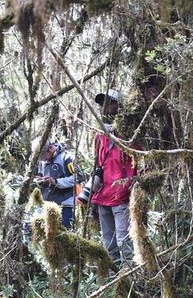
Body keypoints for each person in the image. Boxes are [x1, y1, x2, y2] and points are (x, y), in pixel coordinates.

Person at [89, 88, 137, 265]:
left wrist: (128, 187)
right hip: (102, 196)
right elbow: (98, 164)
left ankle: (131, 279)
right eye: (103, 103)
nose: (106, 107)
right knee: (109, 246)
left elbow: (138, 161)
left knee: (124, 243)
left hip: (120, 196)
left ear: (120, 105)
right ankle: (116, 283)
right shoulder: (100, 135)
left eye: (111, 102)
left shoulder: (130, 133)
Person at [36, 141, 81, 229]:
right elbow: (40, 176)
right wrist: (39, 181)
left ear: (51, 149)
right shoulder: (42, 162)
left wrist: (56, 182)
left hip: (65, 204)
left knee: (65, 233)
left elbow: (78, 177)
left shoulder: (67, 158)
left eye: (44, 156)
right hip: (47, 205)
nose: (44, 160)